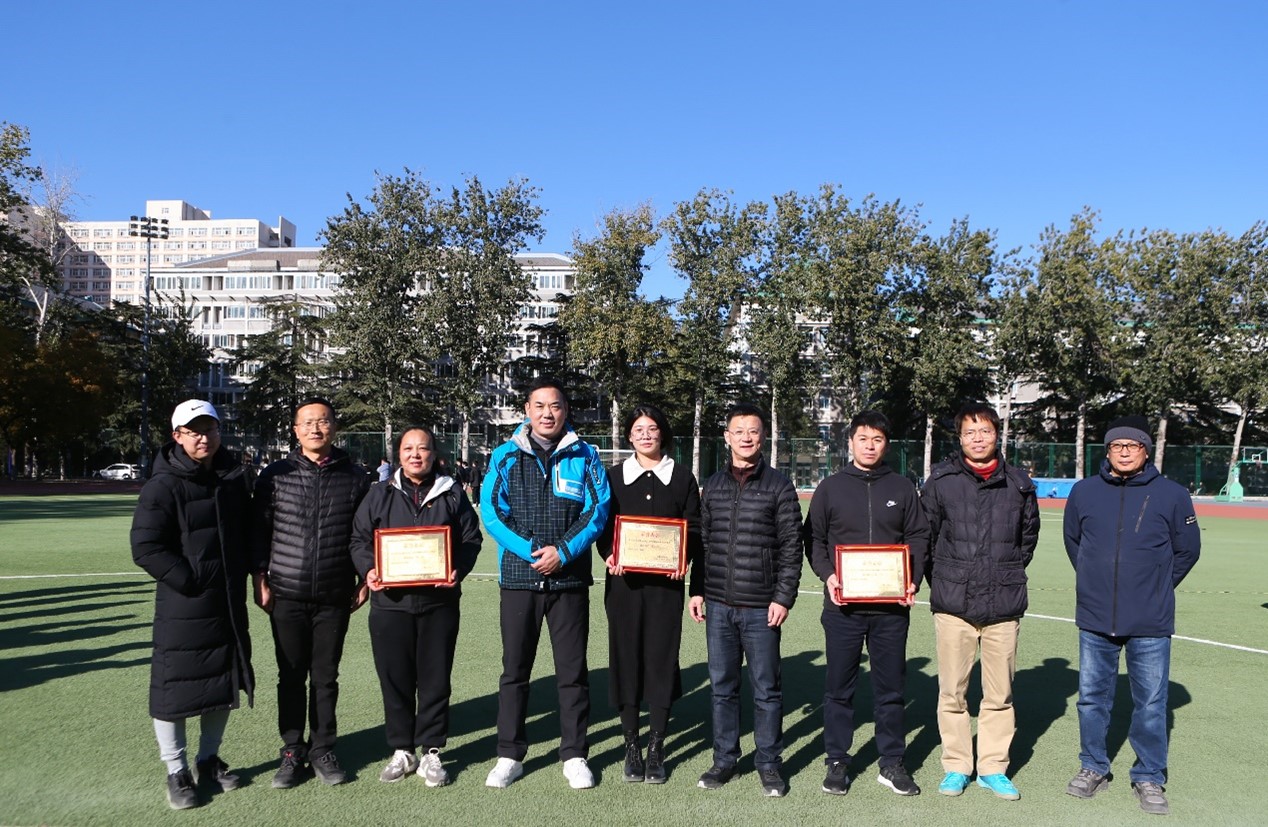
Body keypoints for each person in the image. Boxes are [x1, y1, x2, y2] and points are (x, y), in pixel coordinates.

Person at [1063, 415, 1200, 816]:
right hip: (1095, 616)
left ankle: (1149, 775)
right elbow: (1074, 542)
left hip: (1150, 619)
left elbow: (1188, 549)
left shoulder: (1172, 494)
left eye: (1133, 445)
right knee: (1091, 699)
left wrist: (1157, 586)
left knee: (1152, 702)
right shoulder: (1084, 492)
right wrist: (1094, 580)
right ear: (1107, 451)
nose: (1124, 452)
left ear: (1145, 450)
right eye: (1116, 445)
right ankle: (1093, 767)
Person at [480, 377, 611, 789]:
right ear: (527, 410)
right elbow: (491, 512)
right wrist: (534, 550)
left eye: (555, 406)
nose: (547, 413)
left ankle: (574, 754)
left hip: (569, 581)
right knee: (514, 672)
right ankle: (509, 754)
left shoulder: (586, 455)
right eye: (539, 406)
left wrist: (563, 552)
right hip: (520, 579)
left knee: (572, 673)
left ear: (565, 410)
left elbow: (598, 509)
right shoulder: (504, 455)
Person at [130, 399, 254, 810]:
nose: (204, 437)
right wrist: (192, 581)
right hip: (184, 604)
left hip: (227, 602)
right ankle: (176, 771)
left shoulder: (231, 477)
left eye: (210, 428)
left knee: (222, 682)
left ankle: (208, 760)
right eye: (194, 430)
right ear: (177, 436)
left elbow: (246, 532)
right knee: (174, 690)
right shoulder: (162, 485)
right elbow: (146, 547)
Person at [803, 410, 929, 797]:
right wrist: (829, 575)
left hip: (891, 609)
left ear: (886, 444)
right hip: (843, 608)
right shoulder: (830, 488)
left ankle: (891, 762)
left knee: (891, 689)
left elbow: (918, 536)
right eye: (863, 438)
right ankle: (837, 760)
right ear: (851, 442)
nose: (869, 446)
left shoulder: (903, 488)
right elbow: (814, 539)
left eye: (877, 439)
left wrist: (912, 579)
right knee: (839, 688)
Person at [352, 426, 482, 786]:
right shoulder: (379, 493)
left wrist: (458, 568)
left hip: (439, 604)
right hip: (390, 606)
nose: (415, 454)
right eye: (408, 448)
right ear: (399, 454)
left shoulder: (452, 493)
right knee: (394, 680)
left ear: (433, 454)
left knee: (435, 680)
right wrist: (369, 569)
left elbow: (471, 539)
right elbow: (359, 539)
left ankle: (431, 752)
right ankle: (402, 750)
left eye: (422, 448)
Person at [921, 403, 1039, 800]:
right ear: (959, 437)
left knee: (999, 694)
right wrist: (946, 579)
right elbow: (927, 537)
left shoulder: (1019, 484)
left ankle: (992, 767)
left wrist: (1001, 572)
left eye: (985, 431)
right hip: (953, 603)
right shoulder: (941, 481)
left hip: (1003, 603)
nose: (978, 438)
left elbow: (1026, 540)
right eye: (970, 432)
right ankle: (957, 765)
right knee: (952, 692)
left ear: (996, 435)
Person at [252, 397, 371, 788]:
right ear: (295, 430)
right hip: (286, 591)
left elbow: (364, 534)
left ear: (334, 427)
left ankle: (322, 748)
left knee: (325, 676)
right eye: (307, 422)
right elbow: (259, 531)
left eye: (323, 421)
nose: (316, 428)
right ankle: (292, 749)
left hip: (335, 594)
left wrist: (363, 578)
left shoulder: (355, 476)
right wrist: (259, 577)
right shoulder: (275, 475)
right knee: (290, 675)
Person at [690, 403, 802, 797]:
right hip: (719, 605)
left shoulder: (780, 486)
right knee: (722, 687)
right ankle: (725, 760)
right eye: (739, 431)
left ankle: (769, 764)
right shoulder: (713, 485)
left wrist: (783, 597)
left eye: (753, 431)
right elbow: (702, 544)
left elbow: (791, 546)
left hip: (760, 607)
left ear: (763, 436)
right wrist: (697, 589)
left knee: (767, 690)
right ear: (727, 437)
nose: (746, 437)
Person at [597, 404, 701, 784]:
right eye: (638, 429)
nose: (645, 435)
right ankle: (632, 745)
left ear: (662, 433)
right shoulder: (613, 477)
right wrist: (609, 554)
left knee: (661, 660)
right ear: (629, 435)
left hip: (665, 588)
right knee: (625, 659)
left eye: (652, 428)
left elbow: (694, 527)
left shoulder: (682, 477)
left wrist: (682, 557)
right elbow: (602, 525)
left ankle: (657, 745)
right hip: (623, 586)